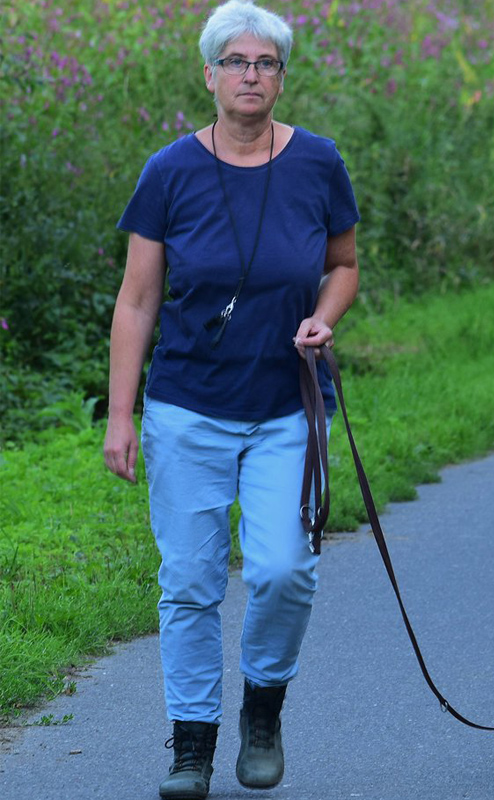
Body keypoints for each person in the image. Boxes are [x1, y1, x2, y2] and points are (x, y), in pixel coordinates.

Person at [102, 2, 359, 797]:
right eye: (236, 61)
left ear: (282, 76)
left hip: (288, 405)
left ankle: (263, 710)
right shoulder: (169, 171)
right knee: (189, 581)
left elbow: (343, 264)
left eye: (267, 62)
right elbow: (137, 301)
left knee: (285, 570)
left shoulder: (318, 162)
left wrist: (323, 316)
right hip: (187, 407)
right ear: (209, 74)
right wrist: (120, 415)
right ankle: (190, 747)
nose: (252, 74)